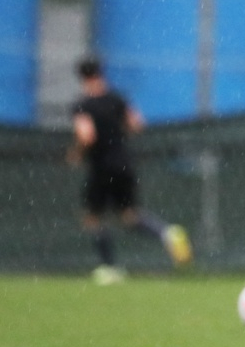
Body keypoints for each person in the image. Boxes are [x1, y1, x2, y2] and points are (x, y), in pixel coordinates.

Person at [70, 56, 192, 284]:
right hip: (124, 162)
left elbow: (86, 136)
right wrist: (115, 134)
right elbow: (137, 124)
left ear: (81, 77)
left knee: (93, 218)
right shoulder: (117, 98)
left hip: (101, 167)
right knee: (130, 216)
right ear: (101, 72)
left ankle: (109, 268)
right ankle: (167, 233)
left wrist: (76, 153)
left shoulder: (83, 104)